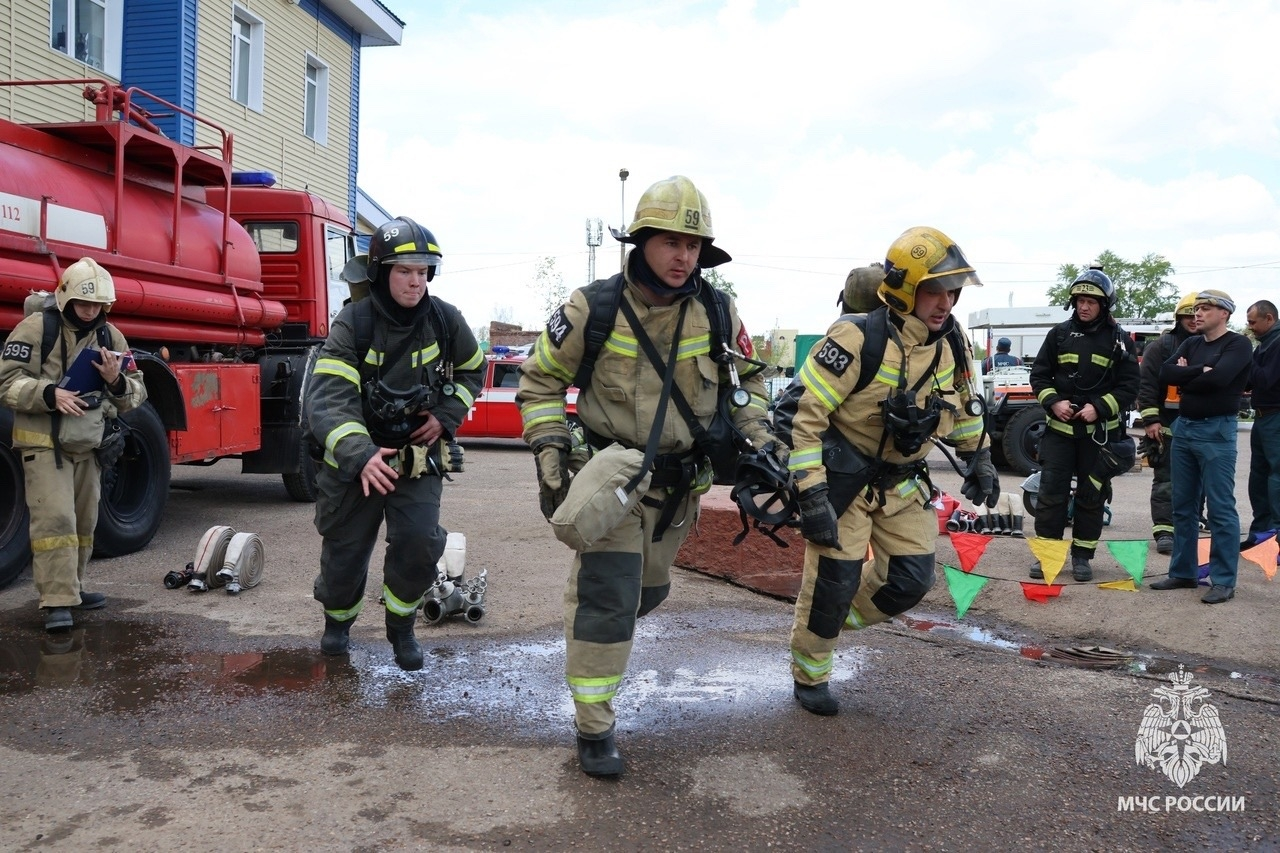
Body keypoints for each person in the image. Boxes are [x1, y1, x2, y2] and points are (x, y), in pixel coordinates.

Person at [517, 175, 779, 776]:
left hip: (678, 488)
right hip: (611, 475)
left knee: (646, 592)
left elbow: (750, 385)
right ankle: (594, 725)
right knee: (608, 595)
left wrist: (760, 436)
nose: (683, 257)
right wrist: (551, 449)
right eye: (670, 243)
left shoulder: (718, 309)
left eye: (693, 246)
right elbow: (539, 383)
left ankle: (598, 622)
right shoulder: (592, 308)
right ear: (641, 243)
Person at [785, 226, 994, 716]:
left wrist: (978, 455)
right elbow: (805, 418)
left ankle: (825, 625)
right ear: (905, 288)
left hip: (904, 482)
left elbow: (963, 405)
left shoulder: (953, 343)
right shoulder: (856, 337)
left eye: (952, 292)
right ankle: (810, 672)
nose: (945, 303)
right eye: (934, 290)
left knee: (910, 582)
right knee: (833, 582)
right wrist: (812, 495)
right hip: (846, 481)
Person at [306, 217, 484, 670]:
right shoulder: (354, 323)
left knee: (419, 542)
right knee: (345, 551)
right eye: (406, 271)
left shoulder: (444, 319)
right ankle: (338, 624)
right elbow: (329, 401)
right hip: (358, 462)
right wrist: (361, 454)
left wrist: (446, 416)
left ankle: (401, 628)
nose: (416, 281)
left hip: (416, 459)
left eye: (424, 271)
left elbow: (473, 369)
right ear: (382, 272)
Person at [0, 257, 147, 631]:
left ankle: (73, 589)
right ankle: (57, 601)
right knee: (56, 519)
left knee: (84, 520)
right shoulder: (35, 329)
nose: (90, 311)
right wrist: (50, 394)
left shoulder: (110, 337)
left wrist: (116, 383)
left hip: (87, 442)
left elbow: (137, 391)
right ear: (65, 298)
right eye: (84, 304)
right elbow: (6, 382)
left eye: (97, 305)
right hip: (43, 442)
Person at [1028, 268, 1140, 582]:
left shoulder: (1120, 341)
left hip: (1098, 437)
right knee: (1050, 496)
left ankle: (1082, 557)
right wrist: (1053, 402)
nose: (1084, 306)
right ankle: (1047, 558)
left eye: (1091, 301)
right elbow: (1039, 376)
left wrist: (1099, 408)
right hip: (1060, 436)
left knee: (1092, 496)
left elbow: (1130, 387)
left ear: (1104, 305)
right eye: (1079, 300)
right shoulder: (1059, 335)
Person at [1151, 290, 1253, 603]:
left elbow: (1220, 380)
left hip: (1216, 429)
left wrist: (1187, 375)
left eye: (1206, 308)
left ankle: (1223, 580)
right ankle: (1183, 573)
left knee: (1220, 507)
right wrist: (1198, 371)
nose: (1198, 314)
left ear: (1224, 313)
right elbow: (1165, 372)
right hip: (1184, 428)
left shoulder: (1238, 344)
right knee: (1183, 505)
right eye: (1196, 309)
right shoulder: (1192, 343)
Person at [1135, 292, 1199, 554]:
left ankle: (1190, 525)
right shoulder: (1162, 346)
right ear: (1179, 317)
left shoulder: (1210, 345)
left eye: (1198, 315)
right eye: (1188, 315)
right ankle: (1164, 531)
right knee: (1166, 480)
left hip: (1200, 424)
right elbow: (1146, 385)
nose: (1194, 320)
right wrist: (1151, 420)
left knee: (1198, 481)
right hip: (1168, 426)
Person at [1242, 300, 1280, 549]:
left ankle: (1275, 537)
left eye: (1253, 322)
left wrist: (1246, 361)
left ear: (1269, 318)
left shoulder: (1276, 344)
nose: (1250, 327)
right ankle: (1261, 534)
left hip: (1276, 416)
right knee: (1259, 476)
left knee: (1276, 476)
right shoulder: (1265, 345)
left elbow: (1266, 380)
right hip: (1263, 416)